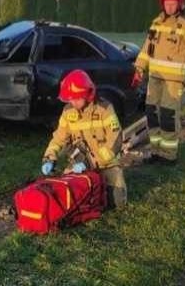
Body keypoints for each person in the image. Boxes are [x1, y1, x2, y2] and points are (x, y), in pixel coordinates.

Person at [133, 0, 185, 164]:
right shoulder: (156, 23)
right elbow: (146, 49)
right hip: (155, 78)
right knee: (152, 114)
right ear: (162, 4)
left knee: (168, 115)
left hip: (173, 81)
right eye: (167, 3)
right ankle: (156, 152)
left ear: (180, 4)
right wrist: (139, 68)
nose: (170, 7)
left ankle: (169, 155)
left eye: (173, 3)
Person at [41, 69, 127, 208]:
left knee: (117, 202)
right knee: (68, 198)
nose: (72, 102)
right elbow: (59, 139)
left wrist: (92, 162)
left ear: (87, 94)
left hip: (106, 164)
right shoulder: (68, 112)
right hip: (78, 164)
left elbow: (115, 141)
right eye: (70, 99)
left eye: (75, 98)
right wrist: (49, 158)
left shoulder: (105, 109)